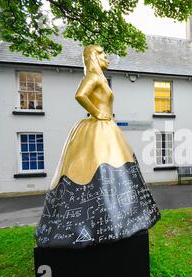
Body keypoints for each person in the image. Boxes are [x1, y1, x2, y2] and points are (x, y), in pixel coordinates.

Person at [35, 45, 160, 248]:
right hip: (99, 127)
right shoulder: (93, 76)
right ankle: (98, 224)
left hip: (107, 127)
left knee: (117, 168)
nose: (106, 56)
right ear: (93, 57)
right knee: (98, 170)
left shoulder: (100, 77)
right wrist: (97, 113)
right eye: (102, 53)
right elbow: (80, 95)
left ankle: (119, 220)